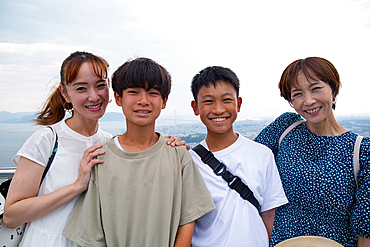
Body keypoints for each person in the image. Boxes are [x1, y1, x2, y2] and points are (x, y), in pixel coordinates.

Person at [3, 52, 183, 247]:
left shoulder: (109, 143)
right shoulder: (46, 140)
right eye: (81, 88)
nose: (94, 96)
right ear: (65, 94)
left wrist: (168, 145)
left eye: (100, 86)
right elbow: (12, 216)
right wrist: (76, 186)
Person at [62, 57, 215, 247]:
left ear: (164, 101)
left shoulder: (178, 154)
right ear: (118, 98)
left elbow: (188, 219)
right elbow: (91, 234)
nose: (143, 101)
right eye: (133, 92)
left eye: (153, 93)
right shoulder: (100, 158)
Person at [254, 57, 370, 247]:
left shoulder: (362, 151)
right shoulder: (285, 128)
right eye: (297, 94)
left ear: (334, 89)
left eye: (316, 88)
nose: (308, 101)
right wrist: (188, 153)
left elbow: (366, 229)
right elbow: (243, 160)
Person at [189, 66, 288, 246]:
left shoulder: (262, 155)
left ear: (238, 104)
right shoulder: (189, 161)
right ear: (195, 107)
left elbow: (269, 215)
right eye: (208, 101)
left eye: (227, 100)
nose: (218, 110)